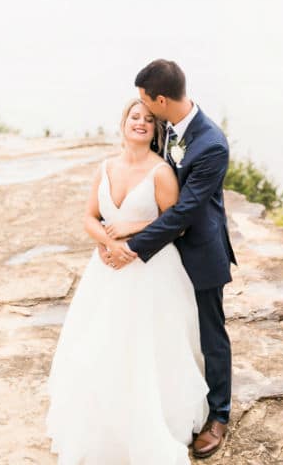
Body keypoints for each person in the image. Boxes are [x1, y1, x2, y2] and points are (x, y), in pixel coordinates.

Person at [44, 97, 209, 464]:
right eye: (134, 117)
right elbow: (90, 217)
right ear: (123, 124)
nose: (140, 123)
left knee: (144, 347)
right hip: (107, 270)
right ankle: (105, 420)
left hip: (151, 272)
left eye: (148, 120)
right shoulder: (104, 168)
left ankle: (151, 420)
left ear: (155, 132)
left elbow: (176, 223)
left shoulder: (161, 171)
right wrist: (107, 244)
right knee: (102, 343)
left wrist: (132, 234)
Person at [101, 58, 237, 459]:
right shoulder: (167, 129)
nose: (141, 106)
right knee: (164, 332)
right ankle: (169, 401)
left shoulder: (211, 144)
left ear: (161, 99)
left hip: (199, 252)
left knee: (210, 335)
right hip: (162, 259)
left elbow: (184, 213)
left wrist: (131, 241)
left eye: (145, 100)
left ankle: (219, 416)